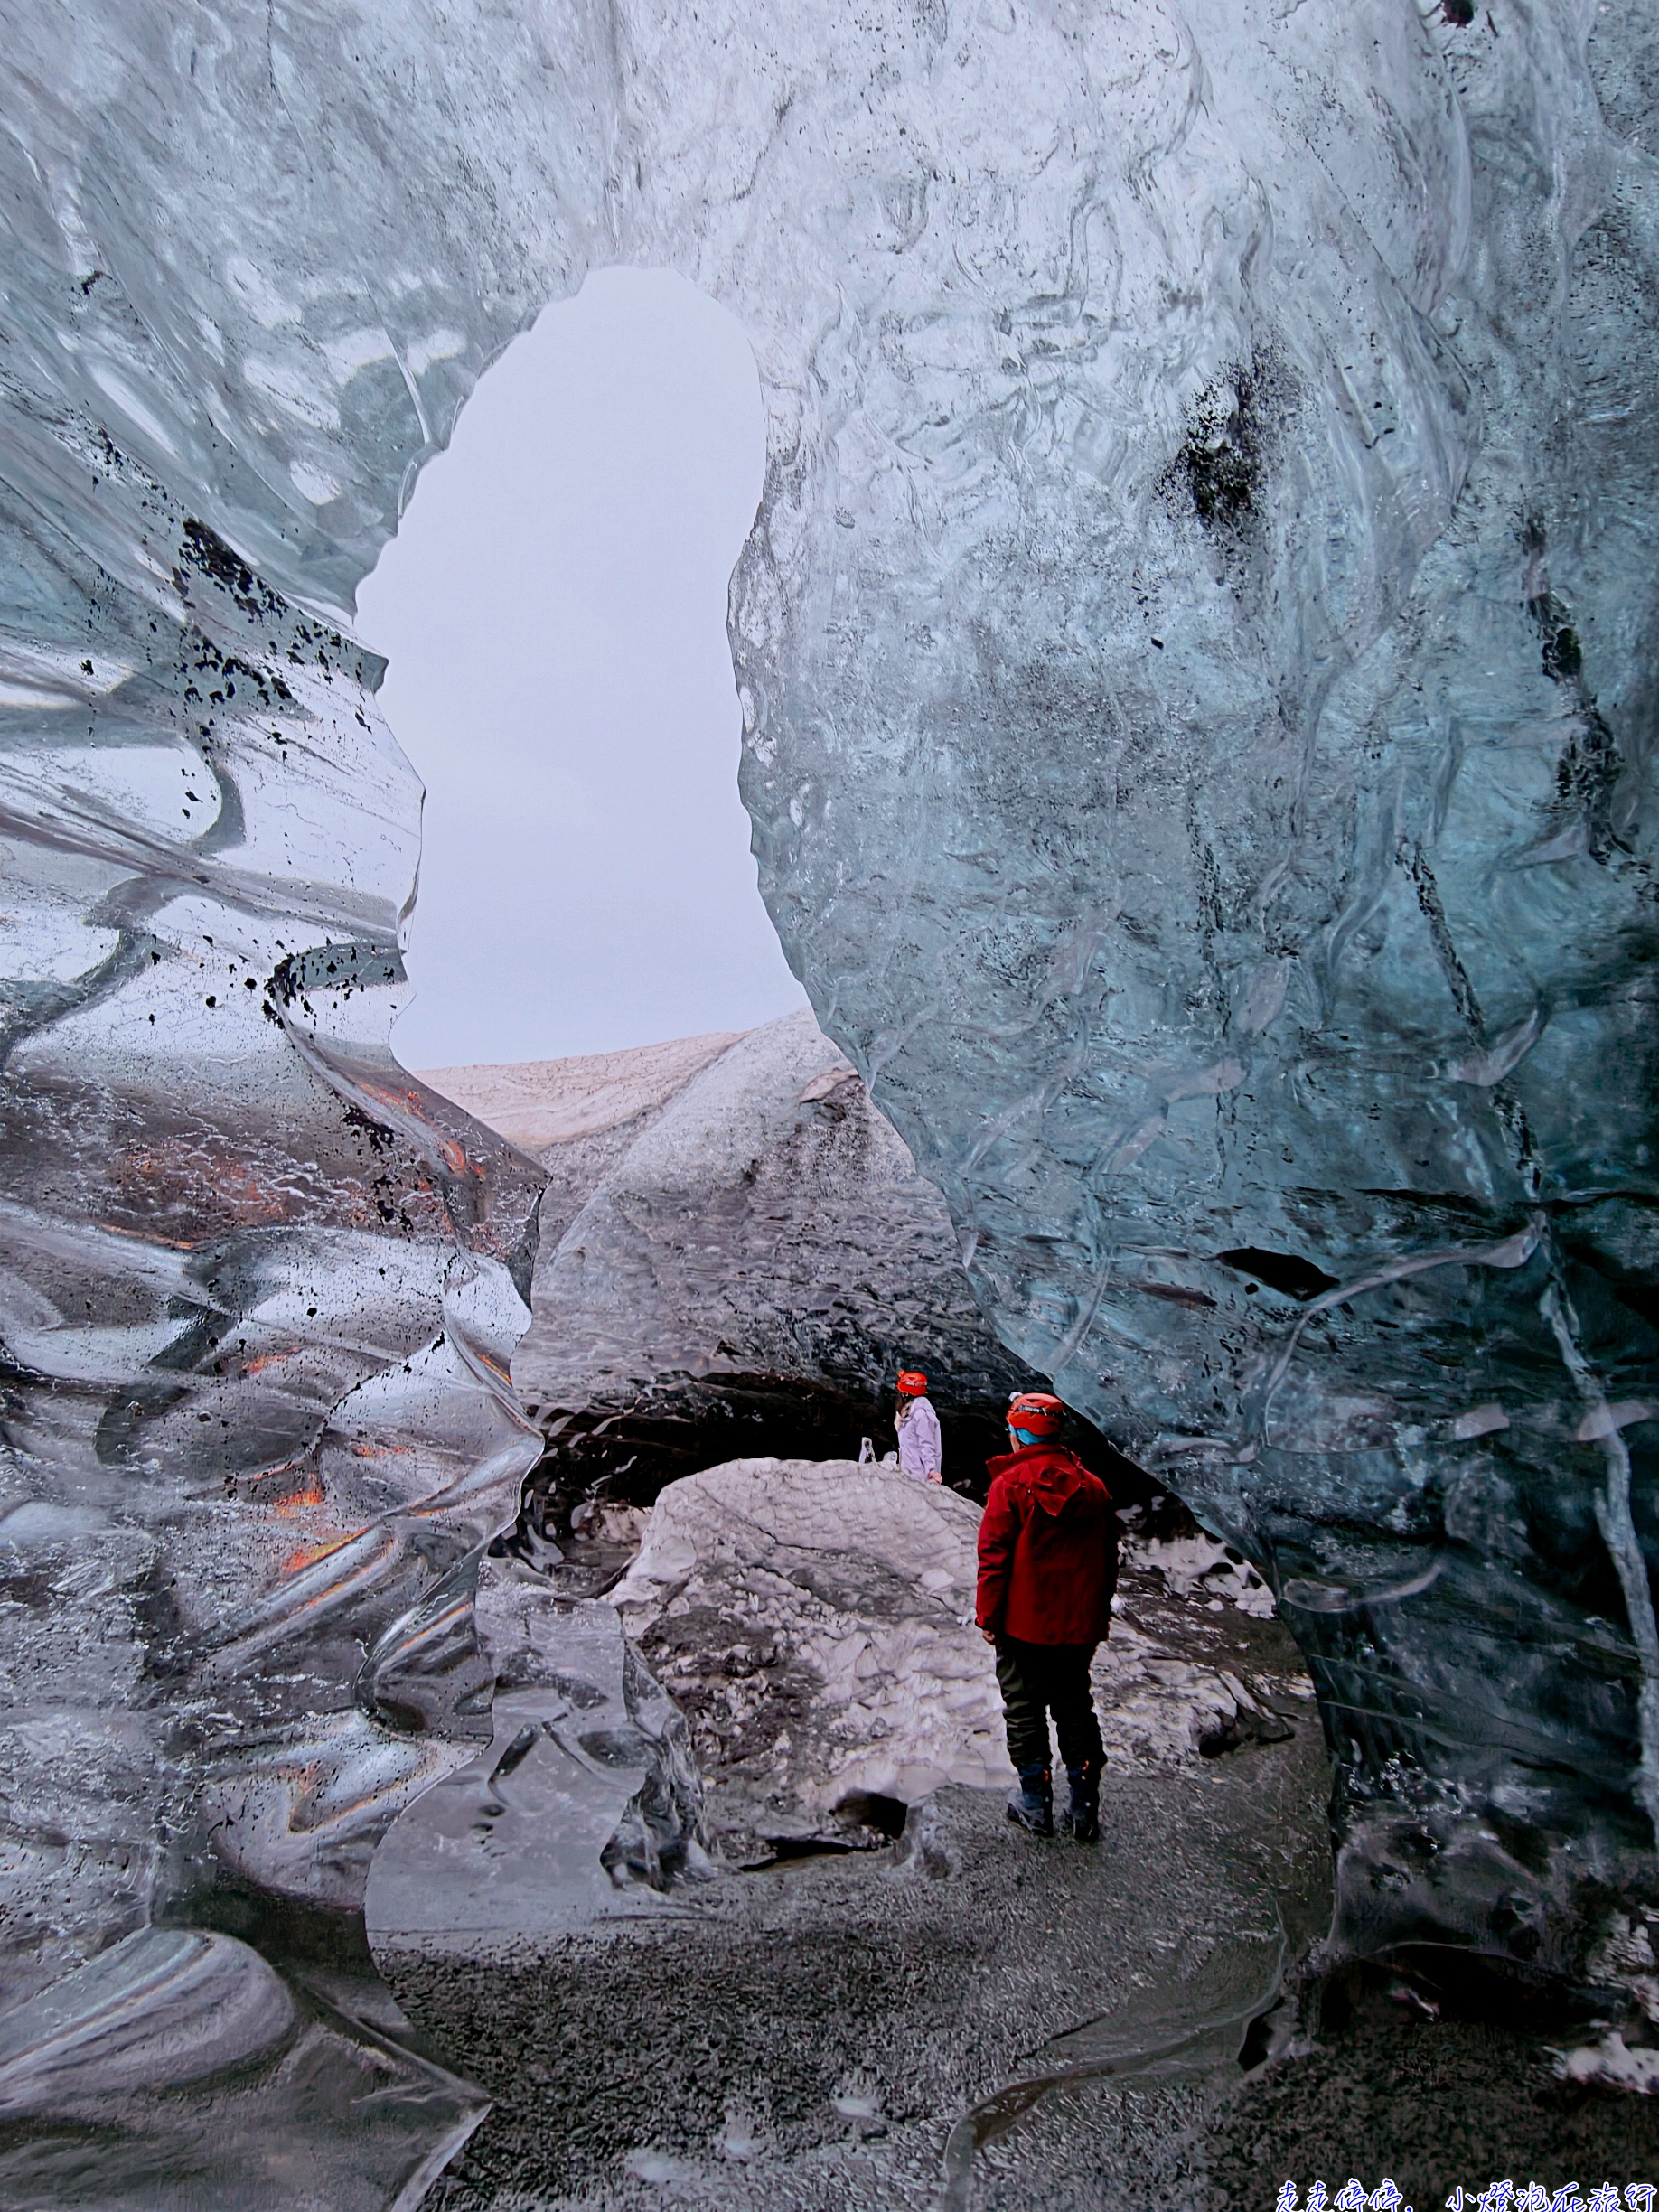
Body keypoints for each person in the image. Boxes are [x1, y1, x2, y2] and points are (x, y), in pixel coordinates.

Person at [976, 1391, 1117, 1842]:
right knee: (1075, 1707)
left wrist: (988, 1618)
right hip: (1077, 1625)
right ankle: (1084, 1807)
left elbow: (993, 1559)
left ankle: (1035, 1804)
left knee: (1024, 1708)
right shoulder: (1094, 1488)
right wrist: (1095, 1617)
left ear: (1018, 1434)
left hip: (1022, 1625)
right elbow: (1107, 1561)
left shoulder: (1009, 1487)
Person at [895, 1369, 942, 1483]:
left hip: (921, 1479)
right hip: (909, 1476)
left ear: (906, 1393)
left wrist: (932, 1471)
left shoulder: (921, 1415)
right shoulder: (908, 1416)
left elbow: (927, 1444)